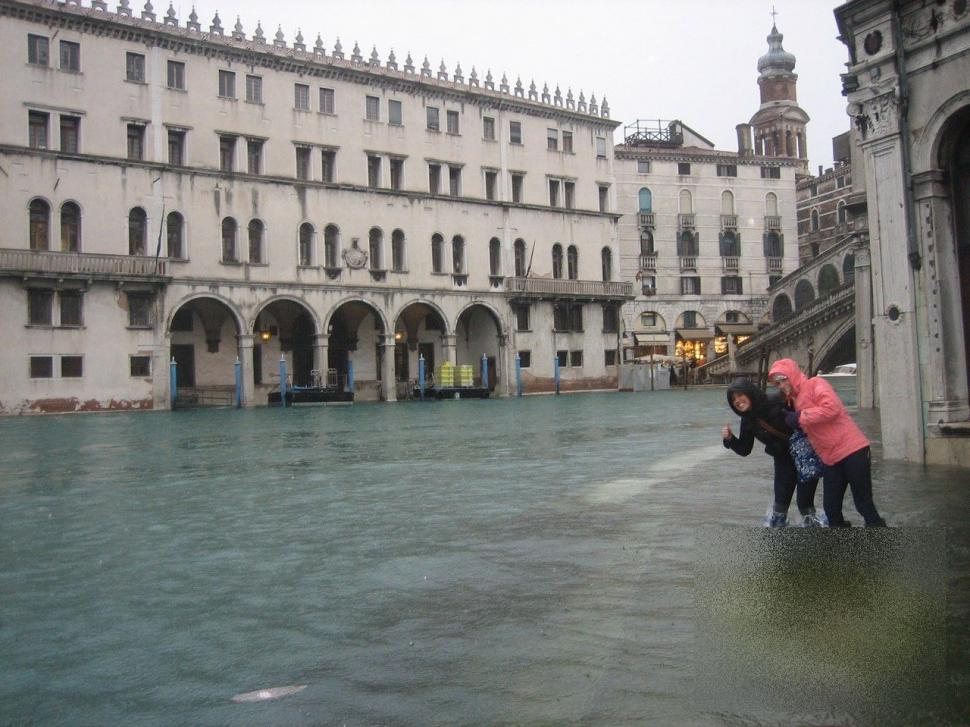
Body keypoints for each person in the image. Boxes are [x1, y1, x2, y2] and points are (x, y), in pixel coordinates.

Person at [767, 359, 887, 527]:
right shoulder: (792, 402)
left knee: (864, 505)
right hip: (830, 459)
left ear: (792, 374)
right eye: (776, 383)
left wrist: (800, 417)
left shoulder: (816, 383)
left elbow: (832, 408)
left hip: (853, 450)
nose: (780, 385)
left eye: (783, 379)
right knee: (831, 510)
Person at [722, 377, 824, 527]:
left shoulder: (776, 401)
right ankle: (779, 542)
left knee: (805, 504)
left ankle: (818, 537)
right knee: (780, 506)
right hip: (782, 460)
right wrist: (730, 439)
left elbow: (805, 415)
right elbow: (745, 449)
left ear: (749, 392)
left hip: (804, 457)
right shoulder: (748, 420)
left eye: (740, 395)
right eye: (733, 399)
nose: (737, 401)